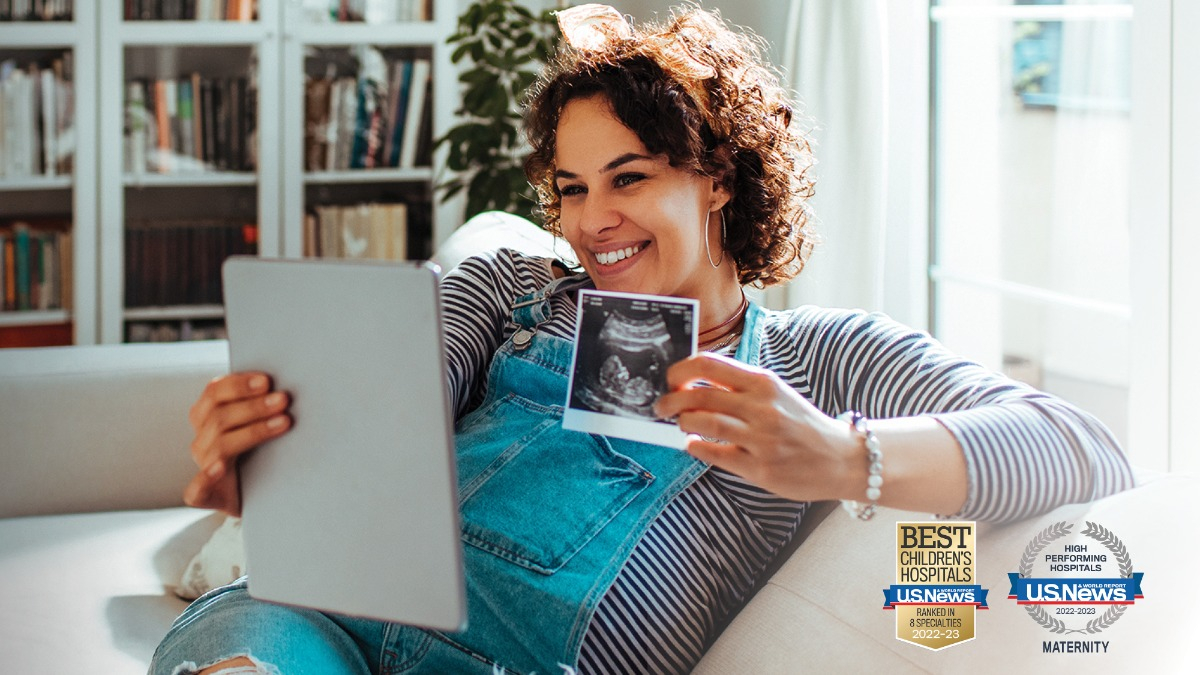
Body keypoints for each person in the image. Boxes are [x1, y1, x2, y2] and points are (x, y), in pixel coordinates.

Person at [153, 4, 1135, 674]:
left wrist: (845, 456)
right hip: (309, 625)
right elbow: (391, 405)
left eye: (628, 179)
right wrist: (273, 463)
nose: (592, 223)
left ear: (716, 177)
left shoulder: (819, 355)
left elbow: (1083, 444)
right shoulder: (510, 290)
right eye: (572, 189)